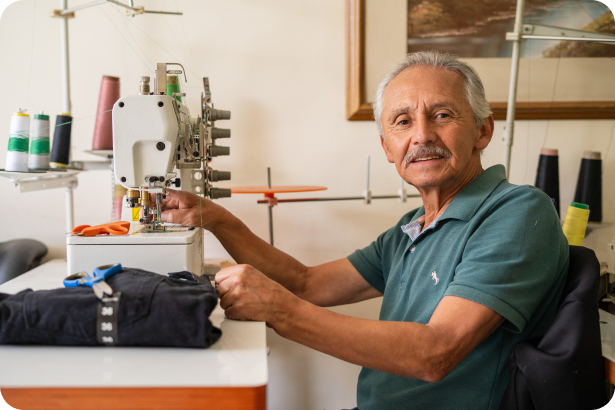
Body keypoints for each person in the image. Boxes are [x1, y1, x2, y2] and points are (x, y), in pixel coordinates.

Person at [159, 51, 569, 410]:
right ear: (388, 148)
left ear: (483, 131)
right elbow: (306, 284)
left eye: (442, 115)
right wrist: (216, 219)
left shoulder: (516, 212)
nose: (422, 135)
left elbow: (436, 353)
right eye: (403, 122)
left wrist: (280, 310)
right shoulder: (410, 229)